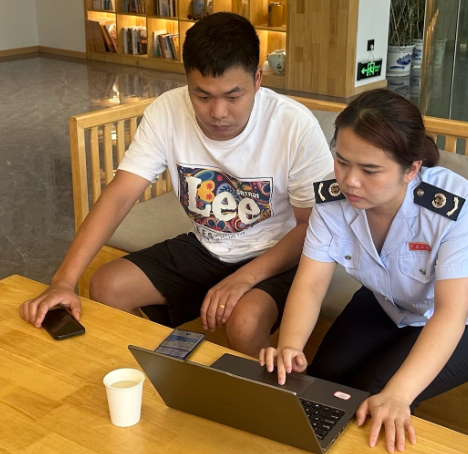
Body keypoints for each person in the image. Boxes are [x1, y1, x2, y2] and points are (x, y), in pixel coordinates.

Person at [19, 12, 333, 357]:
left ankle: (261, 385)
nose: (218, 112)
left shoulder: (293, 125)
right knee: (107, 285)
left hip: (275, 255)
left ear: (258, 79)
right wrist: (63, 281)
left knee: (244, 321)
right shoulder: (167, 111)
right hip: (206, 247)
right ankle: (163, 372)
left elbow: (312, 226)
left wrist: (245, 277)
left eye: (233, 97)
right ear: (187, 81)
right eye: (203, 96)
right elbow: (120, 194)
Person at [260, 89, 468, 453]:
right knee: (321, 382)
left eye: (370, 170)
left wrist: (398, 395)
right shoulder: (332, 200)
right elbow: (311, 283)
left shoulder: (453, 205)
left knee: (372, 397)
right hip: (389, 300)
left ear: (411, 169)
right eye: (342, 161)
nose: (350, 181)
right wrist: (289, 345)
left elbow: (450, 314)